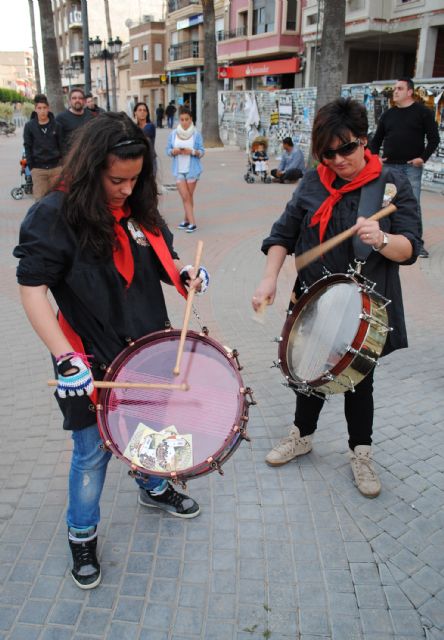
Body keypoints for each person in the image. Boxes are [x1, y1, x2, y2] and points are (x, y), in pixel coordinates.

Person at [14, 112, 209, 590]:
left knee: (149, 426)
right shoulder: (53, 215)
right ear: (89, 168)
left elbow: (165, 254)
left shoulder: (138, 206)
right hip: (86, 360)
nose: (126, 189)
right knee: (90, 452)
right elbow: (32, 289)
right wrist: (64, 358)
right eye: (116, 179)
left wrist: (186, 274)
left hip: (147, 349)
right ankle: (81, 536)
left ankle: (151, 484)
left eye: (135, 178)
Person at [252, 98, 421, 498]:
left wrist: (381, 239)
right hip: (312, 300)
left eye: (346, 148)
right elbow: (282, 236)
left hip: (363, 306)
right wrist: (269, 280)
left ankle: (361, 452)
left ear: (364, 140)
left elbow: (410, 249)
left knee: (359, 381)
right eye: (328, 153)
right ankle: (302, 435)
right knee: (307, 374)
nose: (338, 160)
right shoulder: (314, 182)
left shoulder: (392, 185)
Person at [369, 77, 440, 258]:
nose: (395, 92)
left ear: (410, 92)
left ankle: (417, 244)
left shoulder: (423, 112)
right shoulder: (388, 115)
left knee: (412, 204)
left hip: (411, 168)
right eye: (395, 89)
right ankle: (386, 239)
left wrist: (422, 158)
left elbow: (434, 139)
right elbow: (376, 140)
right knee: (384, 203)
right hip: (389, 167)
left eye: (400, 88)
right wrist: (375, 157)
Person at [166, 105, 205, 233]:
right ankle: (189, 221)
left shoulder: (196, 134)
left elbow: (202, 151)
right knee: (185, 196)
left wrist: (192, 151)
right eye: (182, 119)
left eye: (186, 119)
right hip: (179, 170)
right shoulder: (173, 134)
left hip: (192, 170)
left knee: (187, 196)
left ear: (191, 119)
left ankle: (189, 222)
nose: (184, 122)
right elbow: (168, 150)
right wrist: (174, 151)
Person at [23, 94, 62, 200]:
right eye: (39, 108)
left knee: (57, 200)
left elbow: (62, 145)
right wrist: (32, 167)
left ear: (48, 109)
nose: (42, 111)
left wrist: (62, 165)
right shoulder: (29, 126)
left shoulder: (56, 125)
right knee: (40, 202)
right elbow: (27, 146)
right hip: (38, 170)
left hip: (56, 169)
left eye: (44, 108)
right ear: (35, 109)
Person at [56, 88, 93, 156]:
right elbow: (57, 141)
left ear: (84, 101)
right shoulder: (60, 118)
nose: (77, 100)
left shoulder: (90, 115)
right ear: (69, 101)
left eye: (80, 98)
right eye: (74, 98)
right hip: (70, 160)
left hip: (88, 157)